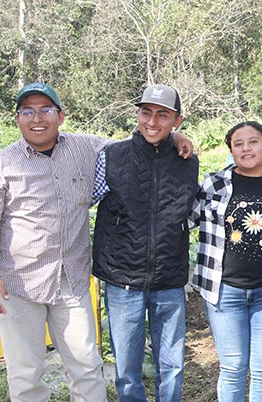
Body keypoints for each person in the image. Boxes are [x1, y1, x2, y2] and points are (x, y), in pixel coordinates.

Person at [0, 82, 193, 402]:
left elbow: (140, 145)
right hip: (18, 283)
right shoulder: (1, 165)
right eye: (28, 111)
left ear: (61, 116)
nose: (37, 118)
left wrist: (174, 136)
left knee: (87, 367)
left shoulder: (87, 148)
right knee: (25, 374)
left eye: (45, 110)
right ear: (17, 118)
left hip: (72, 281)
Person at [92, 84, 199, 401]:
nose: (152, 122)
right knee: (127, 370)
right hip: (123, 280)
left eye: (162, 115)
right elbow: (82, 201)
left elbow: (192, 212)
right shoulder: (111, 156)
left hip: (169, 279)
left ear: (177, 120)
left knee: (173, 367)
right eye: (146, 112)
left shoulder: (188, 162)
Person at [190, 121, 262, 402]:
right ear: (231, 150)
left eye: (253, 142)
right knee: (233, 366)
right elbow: (188, 219)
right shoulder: (215, 184)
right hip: (224, 291)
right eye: (238, 144)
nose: (246, 149)